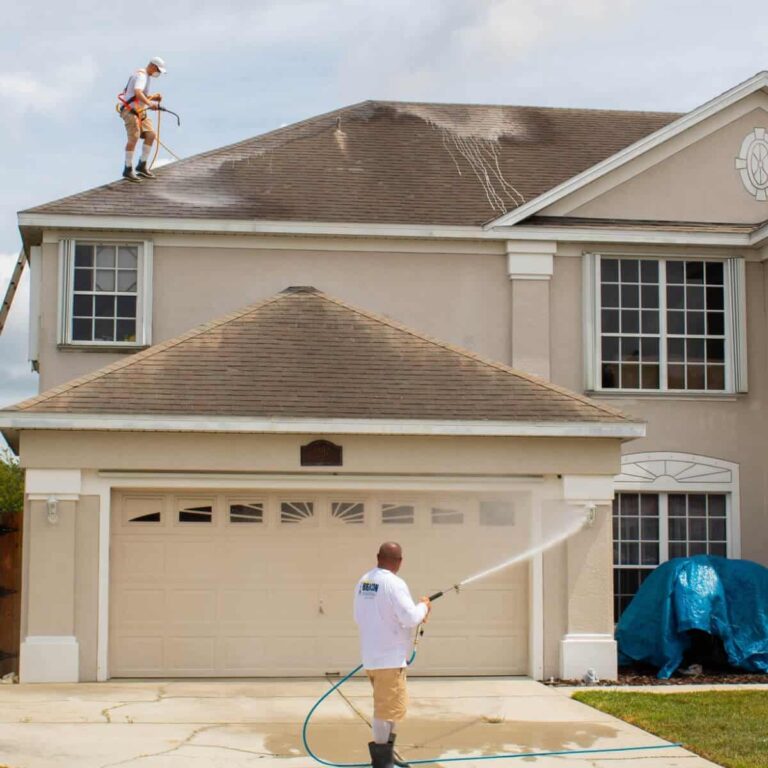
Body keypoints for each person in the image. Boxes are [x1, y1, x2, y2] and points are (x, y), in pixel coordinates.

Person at [354, 542, 431, 768]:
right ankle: (382, 762)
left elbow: (358, 616)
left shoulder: (364, 581)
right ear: (399, 562)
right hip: (389, 659)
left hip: (372, 657)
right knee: (385, 710)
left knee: (389, 709)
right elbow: (409, 617)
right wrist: (424, 606)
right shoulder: (394, 583)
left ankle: (388, 755)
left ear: (378, 557)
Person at [118, 57, 167, 182]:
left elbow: (139, 96)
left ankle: (142, 165)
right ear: (153, 66)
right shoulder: (142, 76)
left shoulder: (146, 77)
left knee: (150, 134)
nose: (159, 73)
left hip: (139, 111)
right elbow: (138, 92)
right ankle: (128, 169)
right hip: (130, 111)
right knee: (134, 137)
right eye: (158, 70)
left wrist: (152, 98)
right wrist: (150, 104)